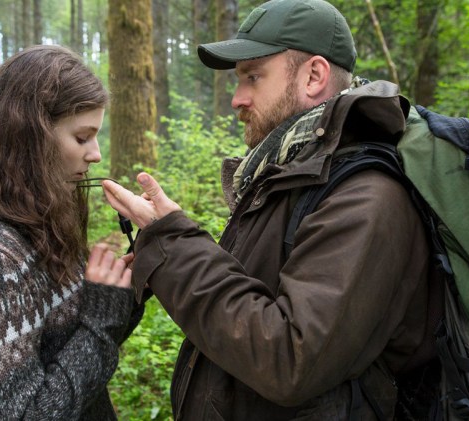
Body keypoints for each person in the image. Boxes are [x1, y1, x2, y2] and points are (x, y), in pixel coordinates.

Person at [102, 0, 435, 419]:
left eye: (253, 77)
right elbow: (250, 303)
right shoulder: (290, 176)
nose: (237, 99)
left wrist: (173, 244)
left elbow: (290, 360)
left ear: (314, 75)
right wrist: (174, 240)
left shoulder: (367, 196)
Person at [0, 45, 141, 420]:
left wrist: (126, 295)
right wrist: (102, 316)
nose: (96, 155)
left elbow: (75, 346)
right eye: (82, 137)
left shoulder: (40, 221)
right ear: (31, 137)